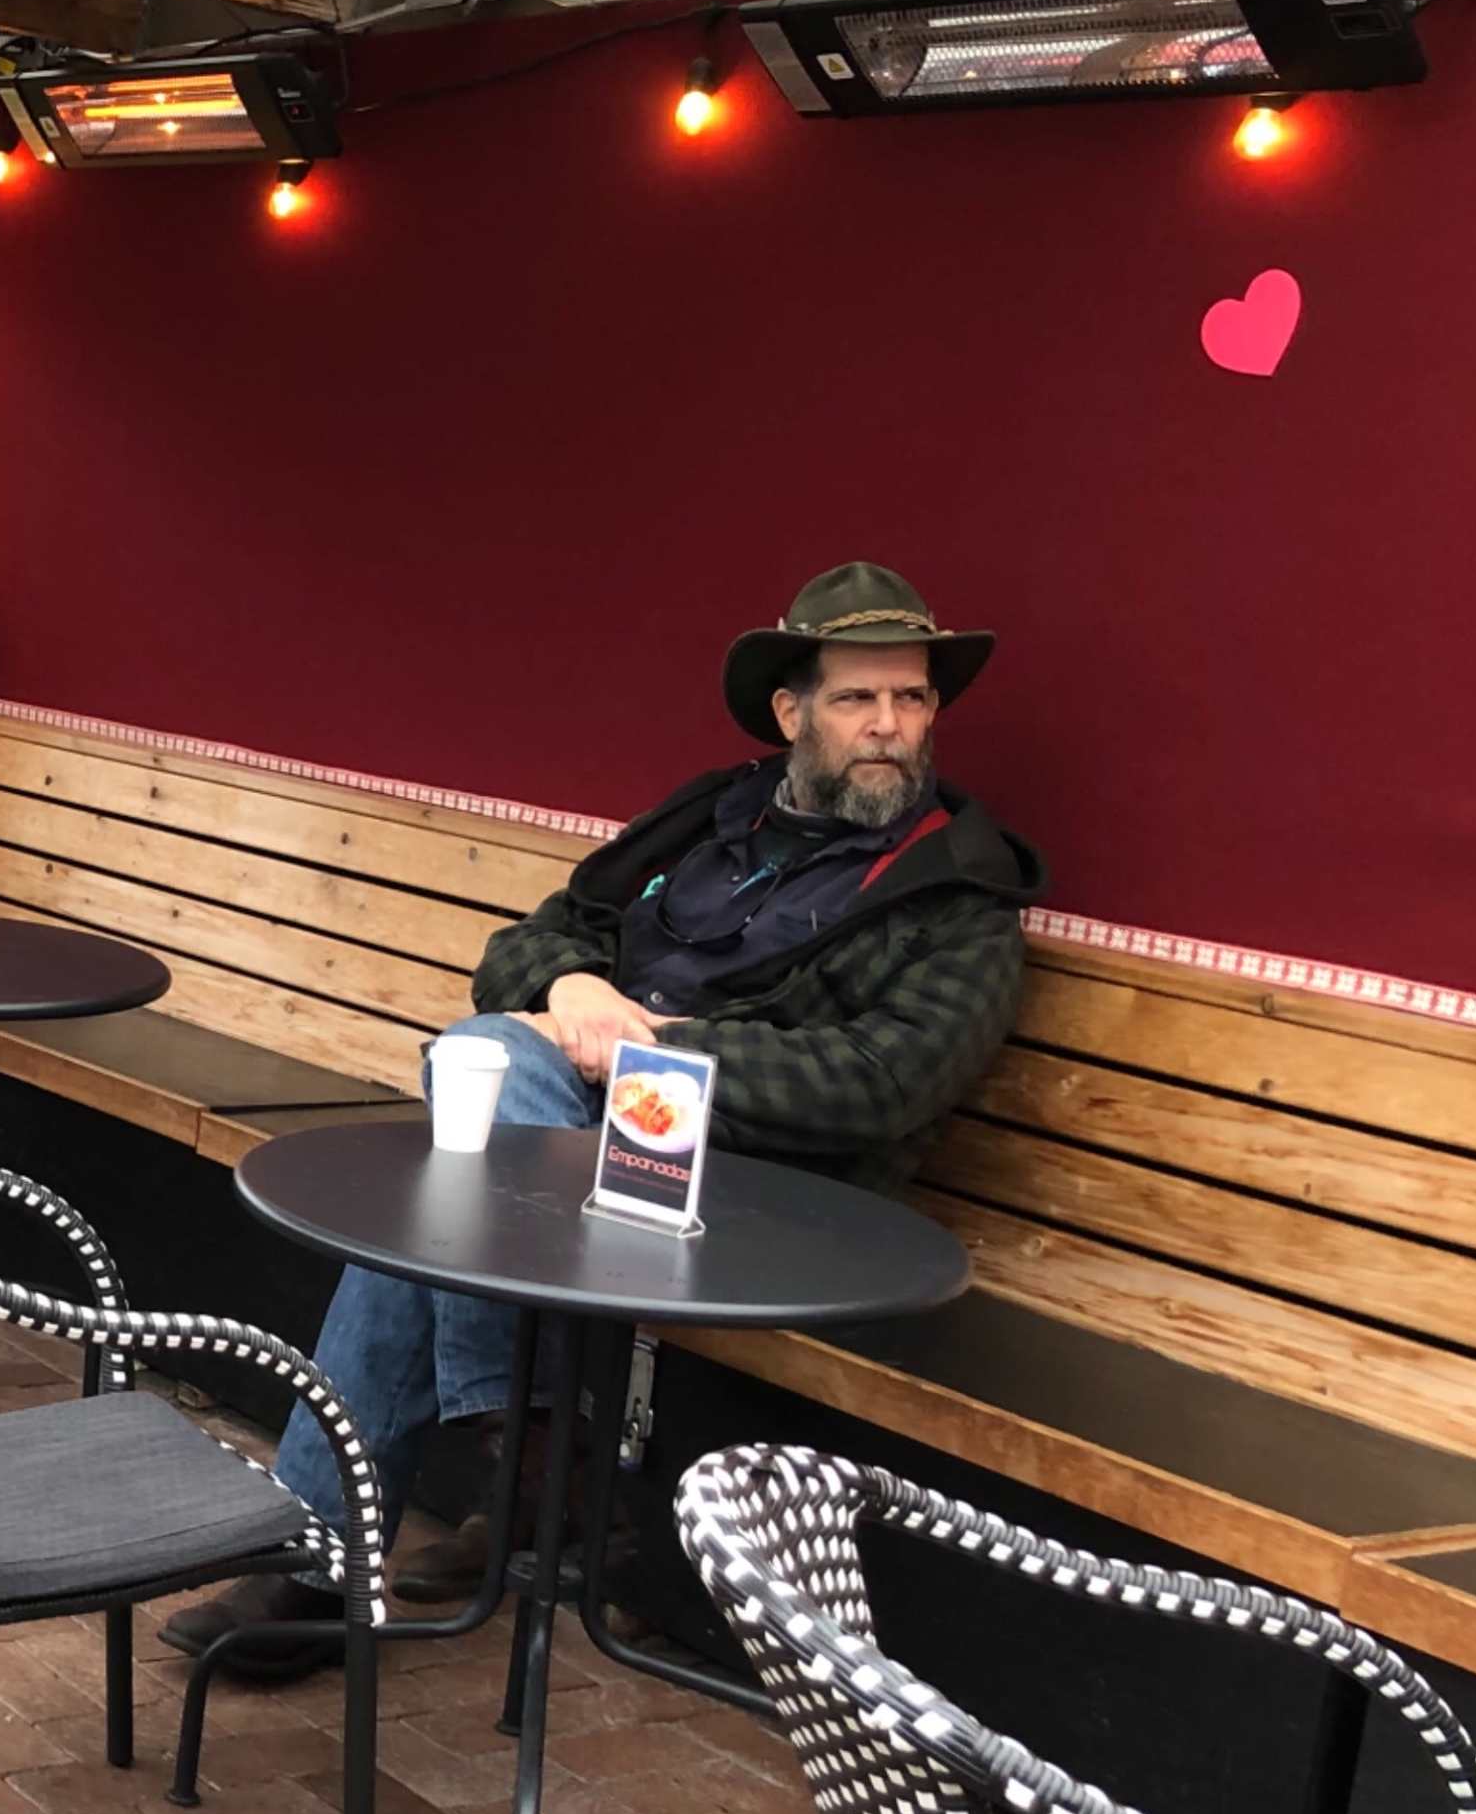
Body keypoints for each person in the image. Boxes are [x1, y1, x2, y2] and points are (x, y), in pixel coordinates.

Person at [170, 561, 1048, 1678]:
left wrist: (651, 1052)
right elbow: (525, 947)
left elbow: (883, 1084)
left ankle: (354, 1546)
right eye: (856, 698)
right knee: (462, 1150)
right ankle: (532, 1462)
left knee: (459, 1148)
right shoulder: (709, 822)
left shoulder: (956, 893)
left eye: (911, 699)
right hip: (582, 1156)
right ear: (791, 713)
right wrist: (577, 989)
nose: (889, 726)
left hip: (772, 1199)